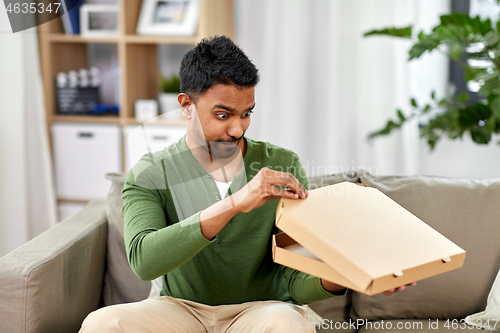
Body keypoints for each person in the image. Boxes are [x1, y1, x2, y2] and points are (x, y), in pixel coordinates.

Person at [79, 35, 414, 333]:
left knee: (288, 324)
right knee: (101, 324)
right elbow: (144, 261)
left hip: (262, 312)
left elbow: (296, 279)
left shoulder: (283, 164)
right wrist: (235, 202)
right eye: (223, 115)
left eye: (247, 113)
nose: (238, 129)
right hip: (181, 309)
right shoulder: (150, 173)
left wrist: (352, 275)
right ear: (186, 106)